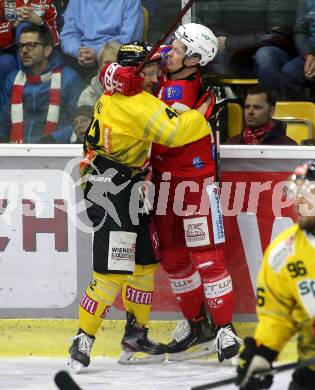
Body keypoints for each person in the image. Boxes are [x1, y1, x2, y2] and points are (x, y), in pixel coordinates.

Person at [67, 41, 215, 372]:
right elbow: (175, 132)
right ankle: (83, 339)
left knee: (144, 263)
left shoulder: (127, 91)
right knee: (112, 271)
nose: (156, 76)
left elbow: (114, 70)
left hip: (128, 181)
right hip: (108, 183)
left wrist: (113, 71)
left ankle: (136, 334)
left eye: (157, 70)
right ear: (135, 73)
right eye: (150, 71)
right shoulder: (137, 104)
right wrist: (201, 114)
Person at [150, 23, 242, 363]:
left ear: (193, 60)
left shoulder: (186, 95)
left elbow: (159, 135)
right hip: (163, 185)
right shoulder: (171, 71)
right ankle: (197, 326)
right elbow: (145, 60)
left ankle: (225, 330)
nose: (168, 53)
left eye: (176, 50)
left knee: (207, 259)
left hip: (196, 186)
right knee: (173, 261)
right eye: (172, 47)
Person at [236, 160, 315, 390]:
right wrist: (263, 353)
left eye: (308, 192)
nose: (299, 201)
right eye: (295, 192)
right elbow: (277, 315)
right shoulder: (283, 252)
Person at [0, 24, 83, 144]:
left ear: (47, 50)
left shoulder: (69, 78)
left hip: (56, 153)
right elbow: (3, 120)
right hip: (17, 153)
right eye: (21, 46)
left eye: (31, 45)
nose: (24, 50)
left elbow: (78, 123)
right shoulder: (13, 79)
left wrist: (53, 139)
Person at [196, 0, 297, 97]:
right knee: (212, 53)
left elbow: (275, 34)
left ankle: (269, 105)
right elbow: (211, 27)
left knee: (265, 56)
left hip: (269, 49)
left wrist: (230, 42)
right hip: (231, 51)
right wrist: (229, 44)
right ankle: (226, 102)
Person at [60, 0, 143, 72]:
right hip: (79, 60)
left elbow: (129, 39)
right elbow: (68, 34)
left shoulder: (130, 1)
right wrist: (78, 51)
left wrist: (97, 53)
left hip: (115, 61)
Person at [0, 0, 59, 84]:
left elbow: (55, 40)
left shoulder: (47, 2)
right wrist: (13, 26)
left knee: (57, 60)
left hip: (39, 51)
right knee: (5, 62)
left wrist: (40, 22)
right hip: (9, 51)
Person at [225, 86, 297, 145]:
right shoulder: (232, 143)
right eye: (247, 107)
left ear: (271, 111)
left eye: (257, 107)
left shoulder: (287, 145)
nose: (250, 112)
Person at [280, 0, 315, 100]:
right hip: (311, 53)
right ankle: (298, 114)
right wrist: (308, 55)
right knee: (289, 71)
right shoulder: (305, 2)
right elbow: (300, 31)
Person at [76, 41, 121, 109]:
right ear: (100, 66)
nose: (112, 67)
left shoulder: (135, 94)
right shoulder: (88, 95)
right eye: (107, 63)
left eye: (116, 63)